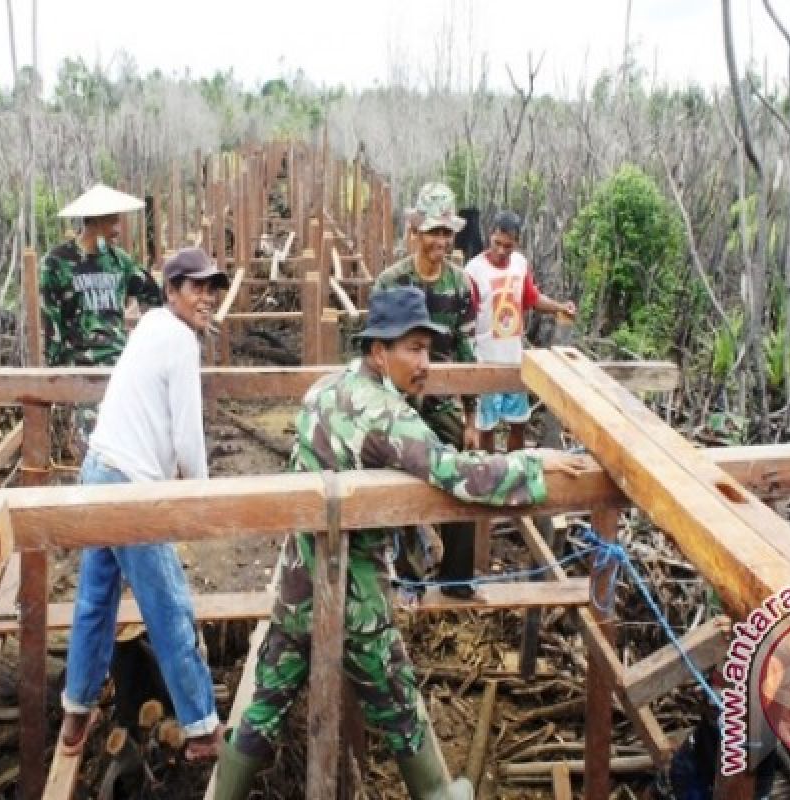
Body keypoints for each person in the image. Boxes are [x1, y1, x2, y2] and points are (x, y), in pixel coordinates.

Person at [214, 287, 553, 800]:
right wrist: (538, 470)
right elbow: (455, 472)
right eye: (413, 349)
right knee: (397, 701)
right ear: (379, 352)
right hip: (356, 595)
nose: (426, 363)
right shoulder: (388, 415)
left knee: (265, 703)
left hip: (298, 582)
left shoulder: (325, 390)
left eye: (429, 350)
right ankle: (438, 794)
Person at [59, 247, 229, 761]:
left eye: (212, 288)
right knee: (168, 605)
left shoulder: (152, 325)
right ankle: (201, 727)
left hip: (99, 470)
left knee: (95, 600)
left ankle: (76, 709)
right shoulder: (179, 340)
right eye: (196, 287)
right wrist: (201, 498)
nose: (208, 297)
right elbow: (187, 435)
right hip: (130, 485)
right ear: (171, 291)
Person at [374, 182, 480, 598]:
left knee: (466, 471)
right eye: (433, 232)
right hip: (395, 400)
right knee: (397, 478)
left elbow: (468, 351)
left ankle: (456, 579)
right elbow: (374, 350)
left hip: (440, 399)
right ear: (416, 231)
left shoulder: (460, 285)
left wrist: (471, 419)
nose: (440, 241)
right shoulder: (392, 282)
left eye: (446, 234)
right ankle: (407, 575)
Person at [40, 183, 162, 450]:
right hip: (81, 368)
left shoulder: (118, 261)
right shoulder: (57, 262)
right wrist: (55, 375)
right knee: (92, 445)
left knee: (131, 440)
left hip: (120, 366)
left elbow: (155, 296)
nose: (118, 227)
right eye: (112, 220)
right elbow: (50, 320)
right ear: (94, 220)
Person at [464, 210, 577, 453]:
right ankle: (491, 478)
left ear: (517, 242)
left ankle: (516, 471)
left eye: (508, 245)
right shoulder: (474, 271)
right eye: (497, 244)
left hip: (514, 359)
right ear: (490, 235)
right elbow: (466, 318)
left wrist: (559, 307)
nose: (502, 251)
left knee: (518, 423)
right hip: (486, 359)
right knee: (487, 426)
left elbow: (532, 298)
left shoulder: (519, 265)